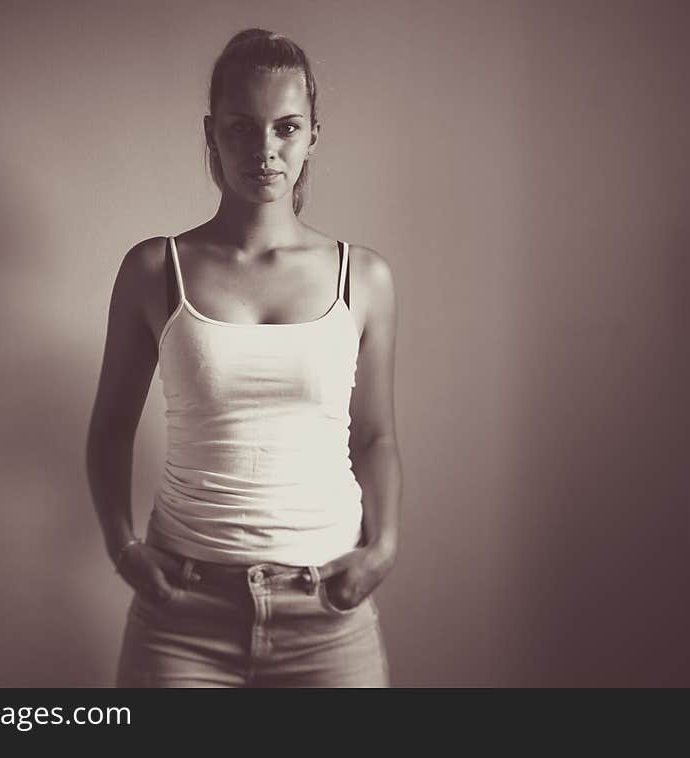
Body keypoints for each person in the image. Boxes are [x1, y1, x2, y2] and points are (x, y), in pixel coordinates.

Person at [86, 27, 402, 687]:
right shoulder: (154, 268)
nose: (264, 149)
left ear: (314, 134)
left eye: (286, 128)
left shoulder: (362, 277)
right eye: (241, 128)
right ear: (211, 133)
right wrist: (123, 548)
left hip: (327, 613)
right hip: (183, 612)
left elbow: (373, 434)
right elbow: (111, 427)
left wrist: (386, 545)